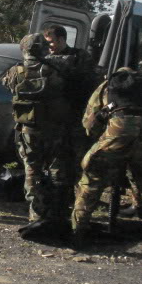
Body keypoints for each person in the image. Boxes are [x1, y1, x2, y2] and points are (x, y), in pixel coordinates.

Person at [72, 67, 142, 252]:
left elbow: (89, 123)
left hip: (116, 135)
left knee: (90, 182)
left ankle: (77, 234)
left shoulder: (106, 87)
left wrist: (103, 131)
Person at [3, 33, 72, 237]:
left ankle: (35, 215)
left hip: (27, 130)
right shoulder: (54, 70)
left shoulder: (15, 72)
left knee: (32, 170)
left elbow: (8, 86)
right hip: (53, 129)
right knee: (56, 171)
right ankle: (57, 214)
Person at [42, 25, 99, 199]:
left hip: (77, 117)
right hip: (55, 119)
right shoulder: (45, 59)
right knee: (56, 160)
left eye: (51, 42)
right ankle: (60, 197)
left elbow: (90, 81)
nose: (49, 47)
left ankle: (81, 198)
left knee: (80, 160)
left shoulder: (80, 57)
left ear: (61, 39)